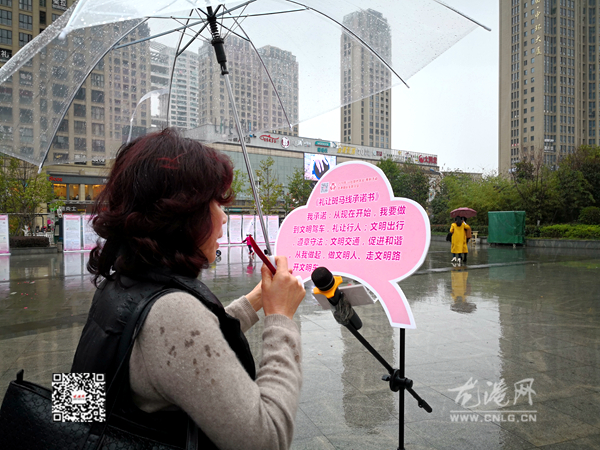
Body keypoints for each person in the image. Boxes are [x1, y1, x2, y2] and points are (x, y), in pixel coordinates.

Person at [71, 128, 306, 450]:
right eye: (215, 203)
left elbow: (183, 347)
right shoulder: (172, 314)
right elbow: (267, 439)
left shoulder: (118, 284)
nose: (224, 217)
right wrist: (281, 319)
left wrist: (257, 300)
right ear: (182, 214)